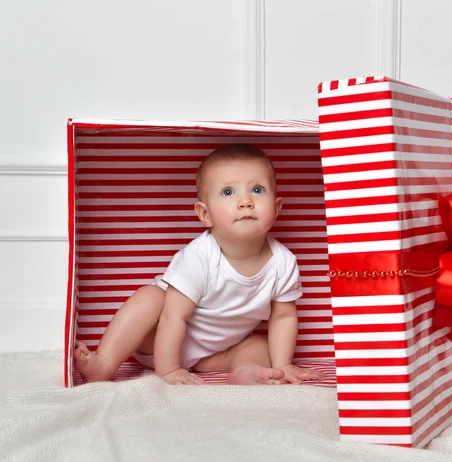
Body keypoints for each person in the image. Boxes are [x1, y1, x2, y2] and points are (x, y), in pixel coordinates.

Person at [74, 144, 325, 386]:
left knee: (259, 345)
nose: (246, 201)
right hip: (158, 338)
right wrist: (170, 369)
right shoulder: (200, 256)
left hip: (214, 353)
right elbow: (174, 316)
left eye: (257, 190)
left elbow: (283, 317)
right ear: (205, 214)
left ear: (277, 208)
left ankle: (247, 373)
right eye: (229, 192)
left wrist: (283, 364)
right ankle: (103, 363)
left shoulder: (283, 262)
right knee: (150, 298)